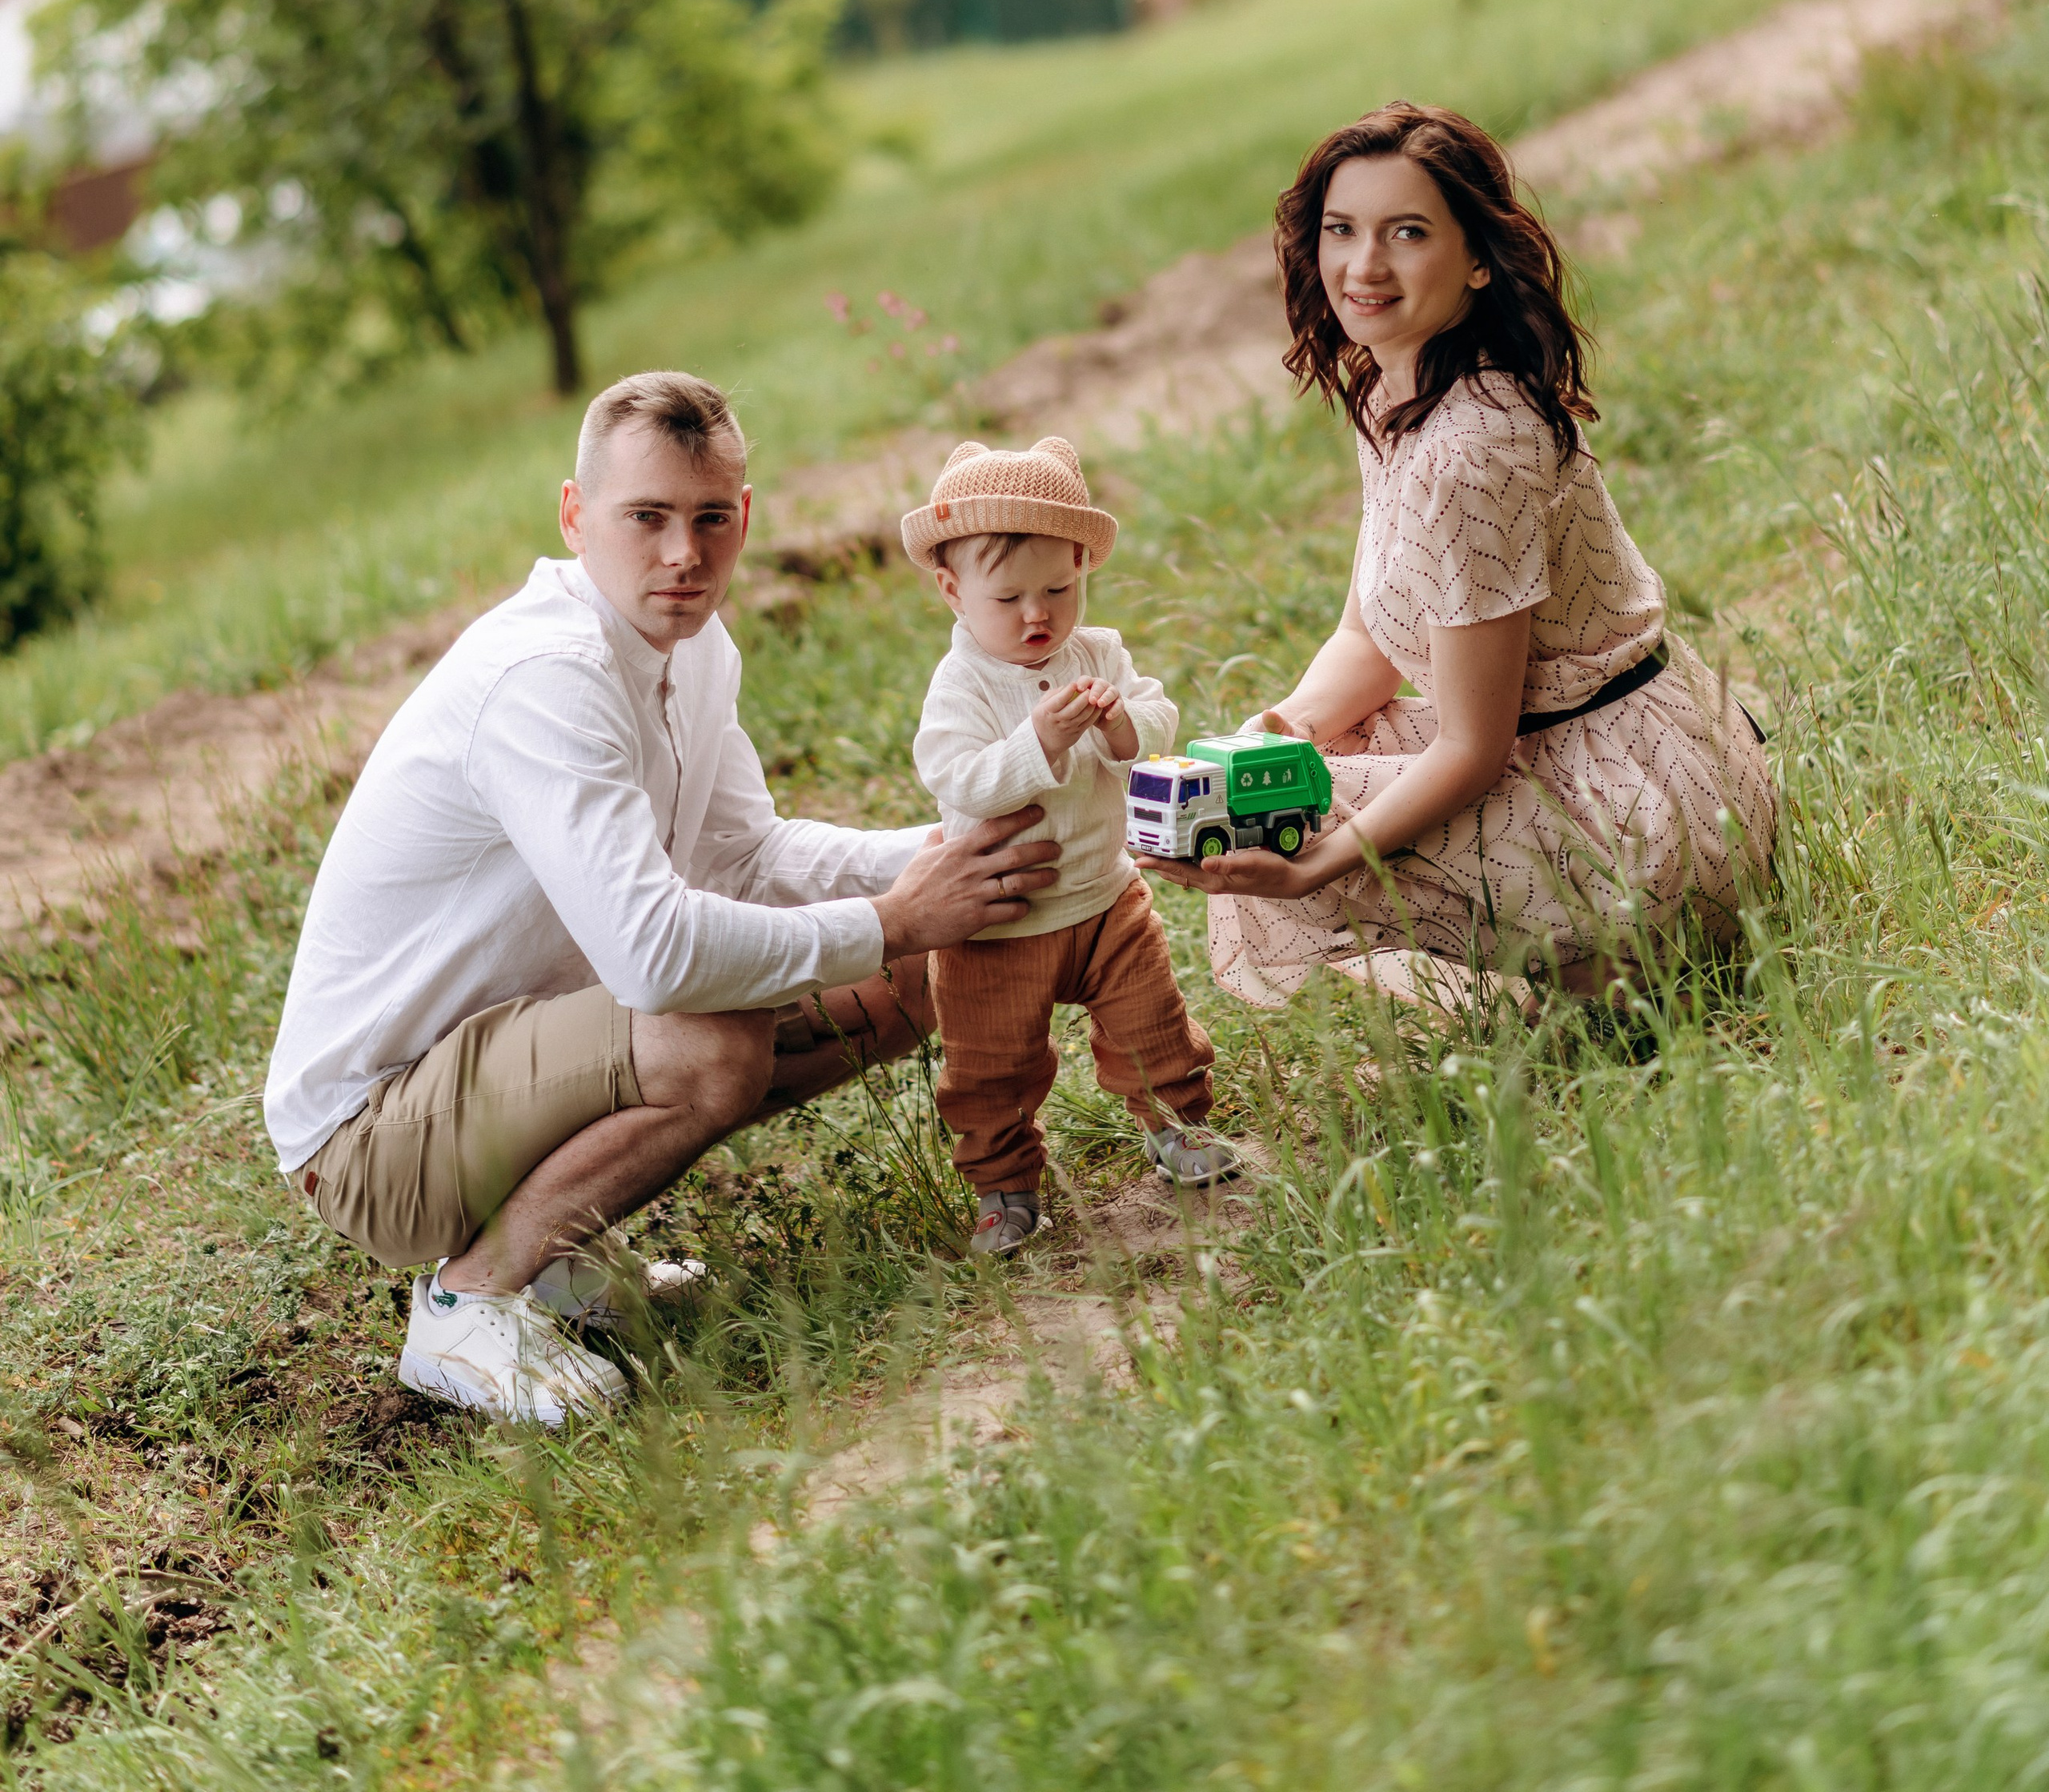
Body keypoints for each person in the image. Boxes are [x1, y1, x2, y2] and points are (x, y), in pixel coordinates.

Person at [263, 370, 1061, 1425]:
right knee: (713, 1042)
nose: (684, 555)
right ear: (575, 515)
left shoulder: (693, 648)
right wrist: (897, 915)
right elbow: (653, 960)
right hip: (372, 1138)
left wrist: (942, 857)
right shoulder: (547, 674)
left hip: (503, 1065)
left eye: (710, 519)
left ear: (744, 518)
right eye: (647, 518)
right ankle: (468, 1300)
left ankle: (556, 1263)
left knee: (903, 982)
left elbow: (747, 853)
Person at [1141, 105, 1774, 1015]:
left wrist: (1322, 859)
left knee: (1295, 841)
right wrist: (1270, 736)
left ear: (1477, 257)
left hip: (1630, 807)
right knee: (1292, 779)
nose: (1363, 267)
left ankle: (1567, 1001)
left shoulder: (1471, 450)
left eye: (1406, 233)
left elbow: (1472, 750)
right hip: (1574, 751)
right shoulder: (1397, 392)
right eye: (1341, 231)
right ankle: (1529, 987)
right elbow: (1367, 636)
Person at [901, 435, 1241, 1257]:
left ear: (1083, 569)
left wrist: (1124, 723)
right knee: (990, 1069)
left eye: (1060, 587)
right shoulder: (963, 686)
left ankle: (1176, 1128)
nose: (1038, 614)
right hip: (999, 922)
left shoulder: (1099, 654)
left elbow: (1156, 718)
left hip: (1104, 895)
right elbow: (958, 778)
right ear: (952, 591)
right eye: (1008, 597)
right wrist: (1037, 743)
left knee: (1150, 1022)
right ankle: (1004, 1187)